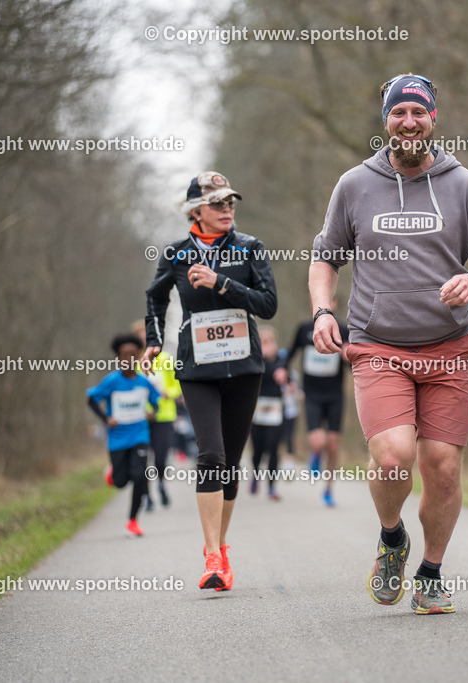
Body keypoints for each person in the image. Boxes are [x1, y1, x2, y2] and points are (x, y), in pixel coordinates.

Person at [309, 74, 468, 614]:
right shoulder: (354, 185)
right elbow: (326, 255)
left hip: (448, 347)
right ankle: (393, 537)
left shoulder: (465, 185)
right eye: (398, 112)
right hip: (378, 345)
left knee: (443, 467)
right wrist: (323, 311)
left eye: (417, 112)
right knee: (395, 458)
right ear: (385, 121)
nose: (408, 122)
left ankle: (431, 572)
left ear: (432, 119)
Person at [143, 171, 277, 591]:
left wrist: (222, 282)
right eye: (217, 203)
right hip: (197, 369)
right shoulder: (177, 253)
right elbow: (155, 296)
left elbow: (268, 305)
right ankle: (212, 555)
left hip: (243, 367)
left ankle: (222, 547)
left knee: (231, 464)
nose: (227, 210)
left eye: (230, 202)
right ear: (195, 211)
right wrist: (152, 340)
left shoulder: (249, 248)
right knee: (211, 455)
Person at [86, 334, 161, 537]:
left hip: (139, 435)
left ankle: (133, 520)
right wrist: (106, 418)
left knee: (140, 475)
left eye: (132, 355)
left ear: (138, 357)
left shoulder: (144, 382)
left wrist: (152, 412)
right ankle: (112, 472)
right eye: (124, 355)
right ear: (118, 358)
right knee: (120, 482)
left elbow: (157, 402)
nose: (128, 359)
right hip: (118, 439)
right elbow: (91, 399)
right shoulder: (111, 381)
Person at [286, 298, 350, 507]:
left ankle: (328, 490)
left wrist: (348, 357)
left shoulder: (343, 330)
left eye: (332, 300)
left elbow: (352, 363)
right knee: (317, 441)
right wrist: (286, 377)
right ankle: (315, 454)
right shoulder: (304, 328)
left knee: (333, 446)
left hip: (335, 395)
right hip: (311, 394)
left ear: (336, 303)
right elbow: (290, 354)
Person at [132, 319, 181, 509]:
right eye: (140, 335)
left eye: (146, 333)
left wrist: (169, 394)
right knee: (143, 458)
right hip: (140, 417)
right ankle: (146, 495)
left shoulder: (166, 359)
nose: (144, 338)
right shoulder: (133, 362)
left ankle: (161, 484)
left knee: (160, 457)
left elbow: (178, 385)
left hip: (164, 415)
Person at [249, 325, 288, 500]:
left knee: (273, 447)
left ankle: (272, 486)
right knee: (258, 448)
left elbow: (286, 376)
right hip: (257, 408)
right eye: (263, 342)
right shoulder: (254, 359)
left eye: (269, 342)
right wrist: (264, 358)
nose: (267, 345)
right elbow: (259, 374)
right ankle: (256, 475)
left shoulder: (281, 359)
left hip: (276, 409)